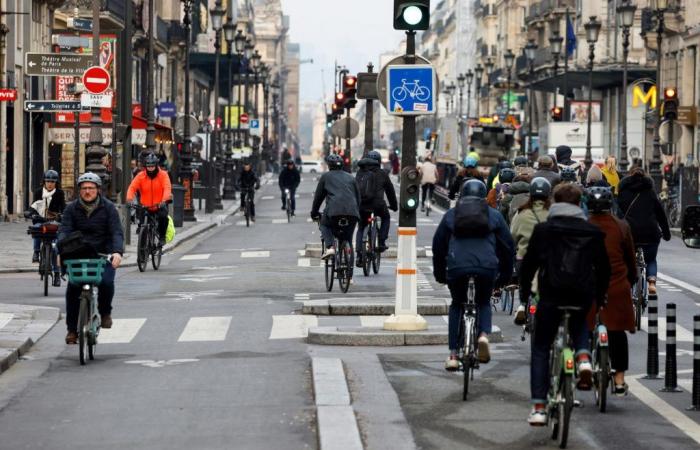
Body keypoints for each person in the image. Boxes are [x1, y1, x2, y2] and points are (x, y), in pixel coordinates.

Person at [519, 183, 610, 426]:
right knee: (580, 319)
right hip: (582, 294)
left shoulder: (544, 230)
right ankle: (583, 358)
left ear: (554, 201)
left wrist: (524, 292)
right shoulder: (592, 231)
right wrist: (599, 298)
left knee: (540, 348)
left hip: (551, 294)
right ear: (579, 203)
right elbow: (603, 269)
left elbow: (529, 264)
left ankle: (539, 406)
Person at [432, 179, 515, 370]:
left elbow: (439, 245)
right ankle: (484, 335)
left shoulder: (452, 215)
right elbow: (507, 247)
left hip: (457, 267)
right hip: (486, 267)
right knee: (484, 301)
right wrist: (505, 275)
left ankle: (453, 354)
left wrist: (440, 273)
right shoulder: (494, 216)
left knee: (456, 304)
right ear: (484, 195)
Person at [58, 172, 124, 344]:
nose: (87, 191)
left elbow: (116, 231)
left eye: (91, 188)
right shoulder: (71, 208)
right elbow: (64, 231)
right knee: (73, 288)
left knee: (106, 283)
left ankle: (105, 313)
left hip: (103, 254)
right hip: (78, 254)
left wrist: (117, 252)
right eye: (84, 188)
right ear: (79, 191)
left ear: (98, 190)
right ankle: (72, 330)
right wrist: (61, 251)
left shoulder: (108, 207)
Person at [587, 186, 637, 397]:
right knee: (617, 333)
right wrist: (630, 280)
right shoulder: (621, 226)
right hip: (617, 285)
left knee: (585, 328)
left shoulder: (585, 226)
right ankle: (619, 380)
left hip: (590, 285)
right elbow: (631, 260)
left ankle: (585, 366)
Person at [617, 167, 671, 294]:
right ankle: (651, 281)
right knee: (651, 259)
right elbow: (661, 215)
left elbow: (618, 214)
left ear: (629, 177)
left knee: (627, 259)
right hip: (650, 233)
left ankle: (628, 283)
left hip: (630, 234)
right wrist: (666, 234)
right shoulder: (650, 193)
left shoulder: (623, 193)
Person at [511, 177, 552, 324]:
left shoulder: (521, 213)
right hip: (548, 259)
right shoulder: (552, 213)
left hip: (525, 258)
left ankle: (522, 304)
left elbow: (513, 235)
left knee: (524, 282)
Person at [311, 154, 361, 260]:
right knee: (348, 239)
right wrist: (357, 212)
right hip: (352, 213)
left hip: (333, 212)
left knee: (324, 225)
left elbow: (318, 197)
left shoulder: (326, 177)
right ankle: (349, 275)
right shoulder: (351, 177)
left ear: (329, 165)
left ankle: (330, 247)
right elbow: (358, 197)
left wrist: (314, 212)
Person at [354, 151, 398, 261]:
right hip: (378, 205)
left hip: (362, 205)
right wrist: (394, 206)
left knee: (361, 227)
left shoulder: (360, 172)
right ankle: (382, 241)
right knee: (386, 218)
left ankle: (359, 254)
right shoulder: (382, 173)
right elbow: (390, 191)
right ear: (378, 161)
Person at [126, 152, 172, 246]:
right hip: (145, 206)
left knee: (163, 217)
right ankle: (142, 251)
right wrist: (129, 199)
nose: (150, 168)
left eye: (152, 166)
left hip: (159, 205)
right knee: (142, 226)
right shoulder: (140, 176)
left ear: (156, 165)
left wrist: (164, 201)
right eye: (148, 166)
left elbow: (167, 188)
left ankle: (162, 237)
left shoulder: (163, 175)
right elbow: (132, 187)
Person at [30, 170, 66, 286]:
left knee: (55, 249)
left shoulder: (60, 193)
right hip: (40, 221)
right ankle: (36, 252)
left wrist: (62, 215)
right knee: (36, 229)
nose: (50, 184)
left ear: (56, 183)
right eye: (48, 181)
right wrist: (31, 213)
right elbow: (33, 206)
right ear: (44, 182)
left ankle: (56, 275)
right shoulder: (38, 192)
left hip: (54, 222)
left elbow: (63, 208)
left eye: (52, 182)